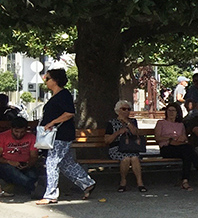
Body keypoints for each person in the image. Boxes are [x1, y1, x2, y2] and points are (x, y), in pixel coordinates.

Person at [35, 68, 96, 204]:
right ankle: (87, 183)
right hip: (56, 134)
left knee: (52, 162)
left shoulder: (64, 95)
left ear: (55, 80)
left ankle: (50, 194)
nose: (45, 80)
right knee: (65, 163)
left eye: (48, 78)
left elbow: (69, 113)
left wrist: (52, 122)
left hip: (60, 135)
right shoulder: (57, 96)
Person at [153, 102, 198, 190]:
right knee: (188, 151)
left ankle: (185, 181)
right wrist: (170, 138)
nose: (171, 112)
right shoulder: (161, 123)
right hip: (166, 148)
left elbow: (185, 138)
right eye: (169, 110)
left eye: (173, 111)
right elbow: (157, 137)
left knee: (187, 154)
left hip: (179, 147)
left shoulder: (180, 125)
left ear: (177, 112)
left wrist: (181, 139)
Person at [105, 100, 148, 192]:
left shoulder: (133, 121)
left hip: (131, 147)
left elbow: (136, 133)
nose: (127, 111)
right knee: (126, 158)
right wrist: (118, 132)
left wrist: (127, 122)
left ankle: (140, 182)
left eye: (128, 109)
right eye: (124, 109)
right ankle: (123, 181)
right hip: (116, 148)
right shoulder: (111, 123)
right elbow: (107, 140)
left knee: (135, 158)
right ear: (118, 110)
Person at [0, 117, 40, 199]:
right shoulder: (2, 137)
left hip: (24, 164)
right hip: (7, 165)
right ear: (11, 129)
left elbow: (34, 156)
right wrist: (9, 161)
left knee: (32, 175)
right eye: (16, 132)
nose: (19, 134)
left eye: (22, 132)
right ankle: (34, 187)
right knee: (12, 171)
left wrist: (28, 164)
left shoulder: (31, 137)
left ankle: (33, 186)